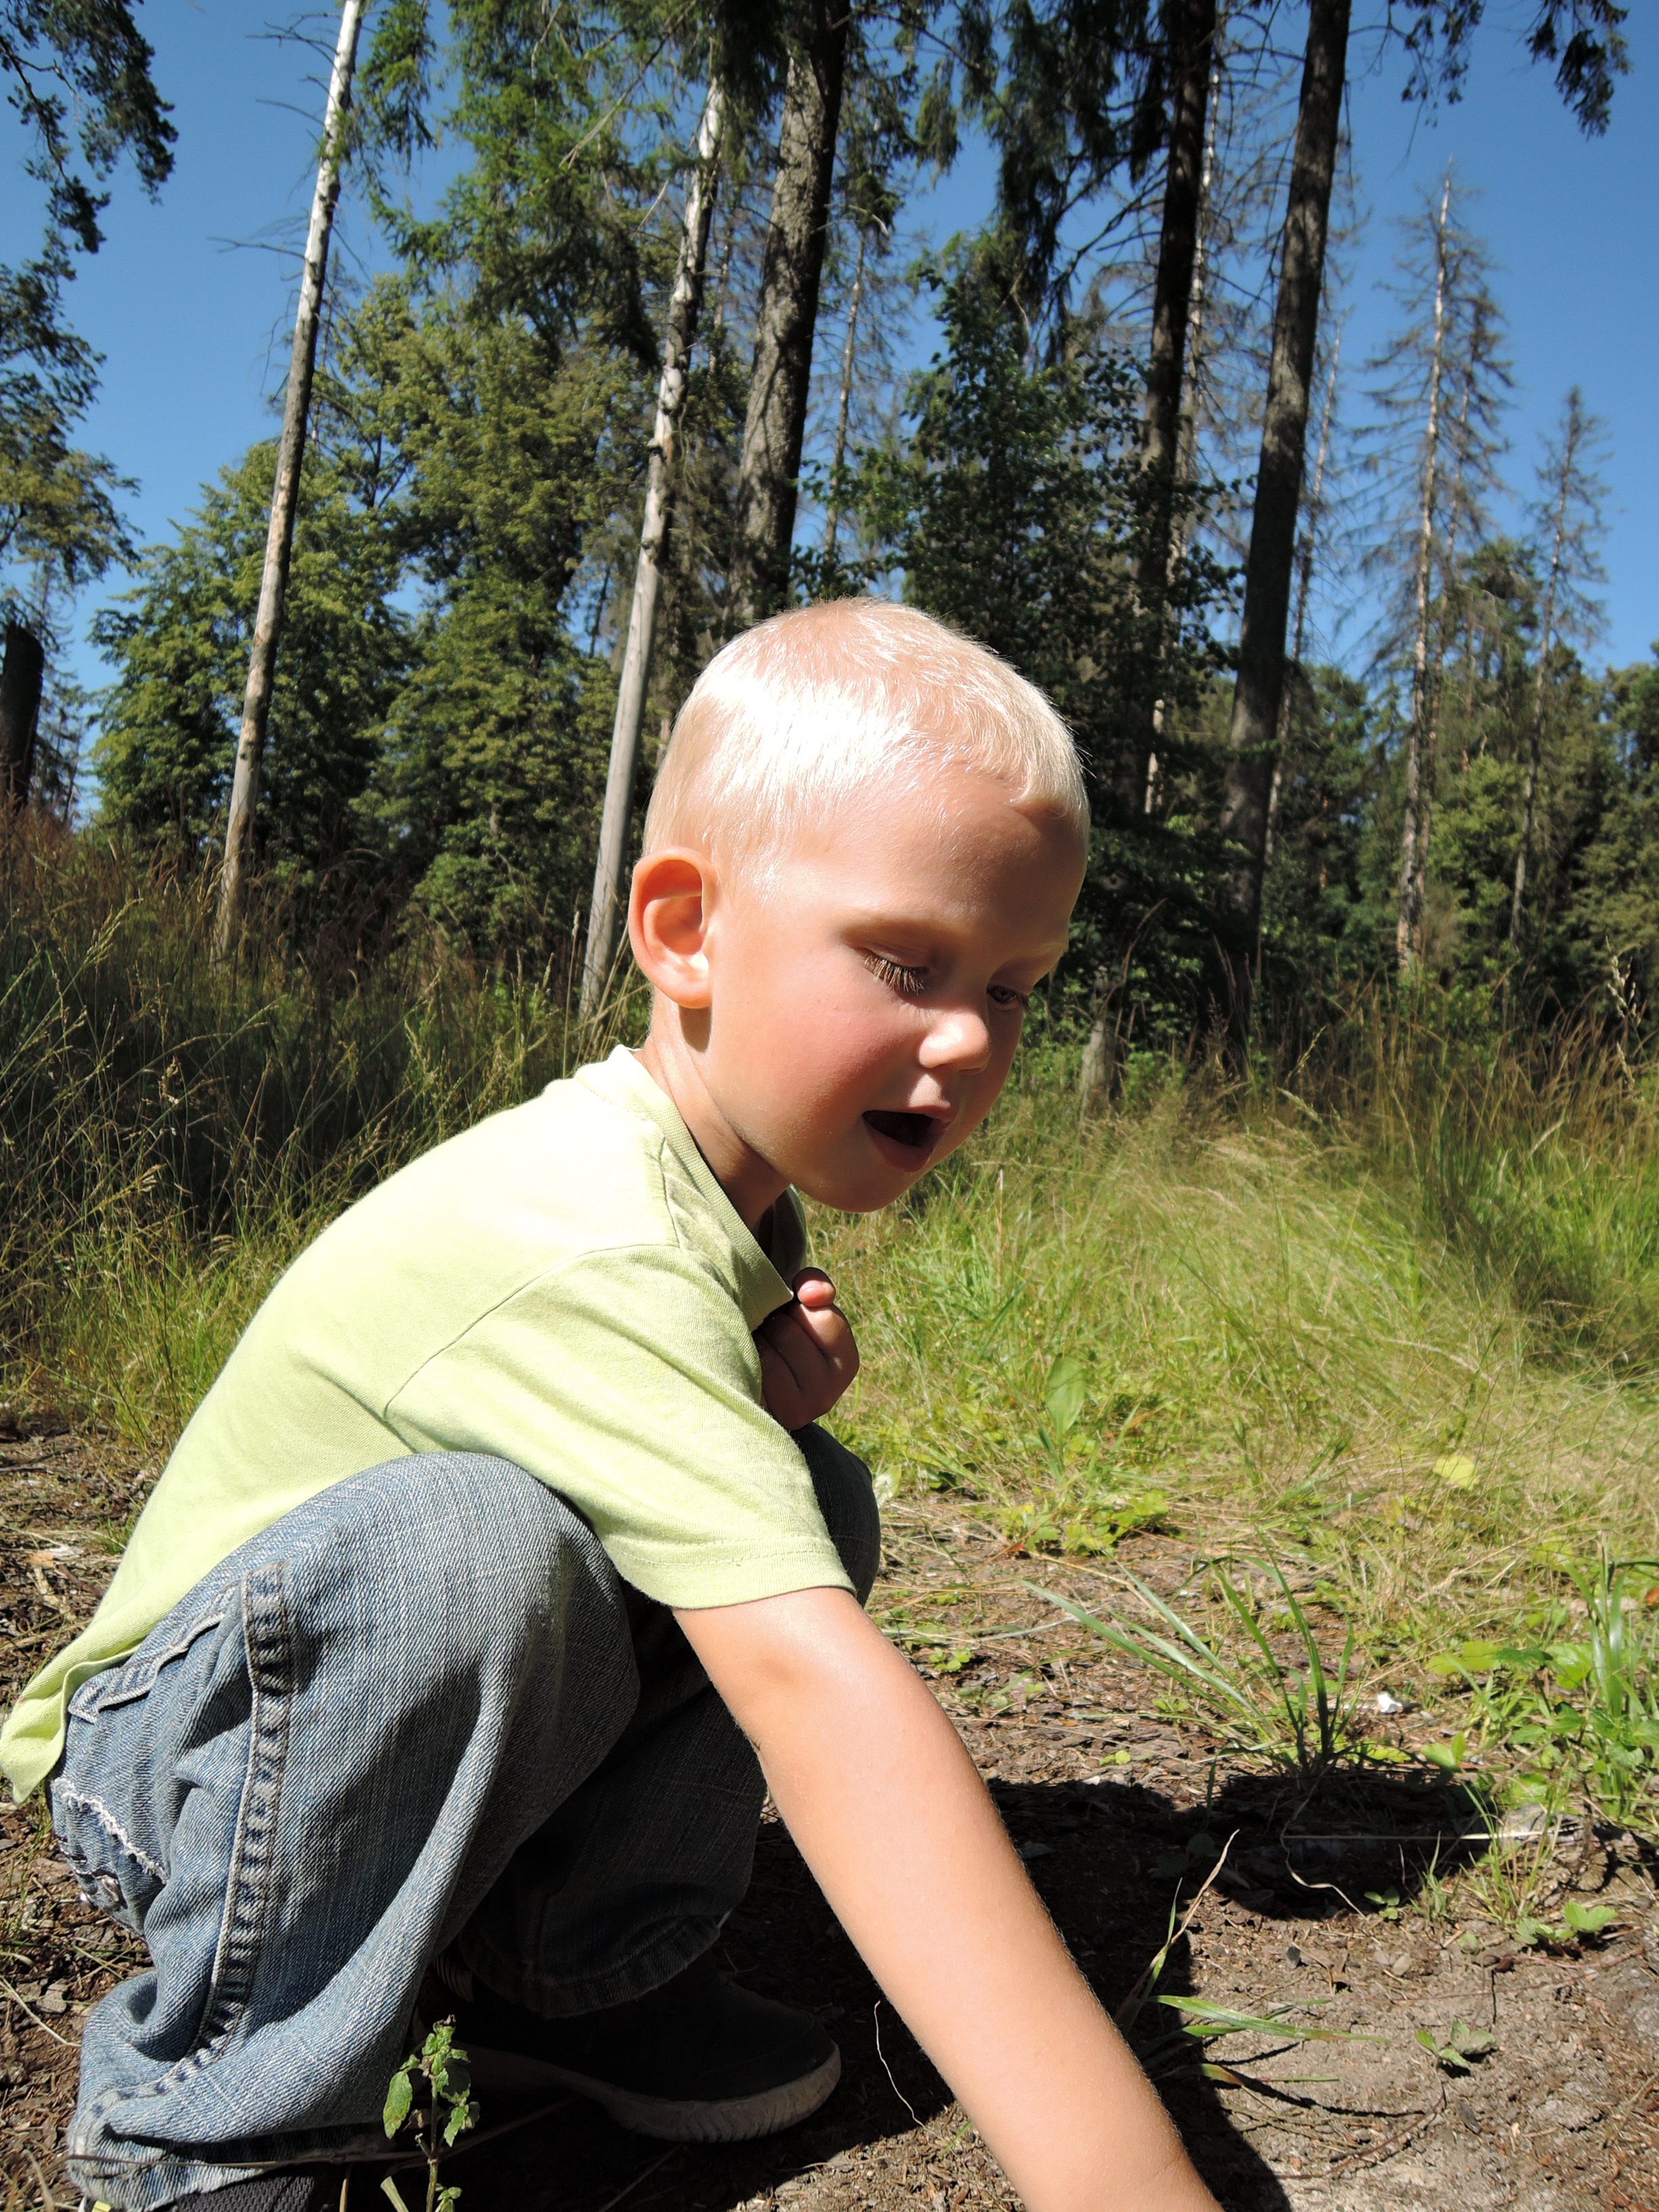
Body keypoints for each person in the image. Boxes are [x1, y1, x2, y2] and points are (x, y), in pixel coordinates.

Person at [3, 601, 1222, 2212]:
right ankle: (217, 2125)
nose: (968, 1038)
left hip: (324, 1742)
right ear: (685, 931)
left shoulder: (722, 1200)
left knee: (807, 1494)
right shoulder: (592, 1227)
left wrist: (752, 1408)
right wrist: (1129, 2183)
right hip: (179, 1774)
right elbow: (814, 1695)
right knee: (473, 1550)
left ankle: (570, 1979)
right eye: (906, 963)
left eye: (1013, 985)